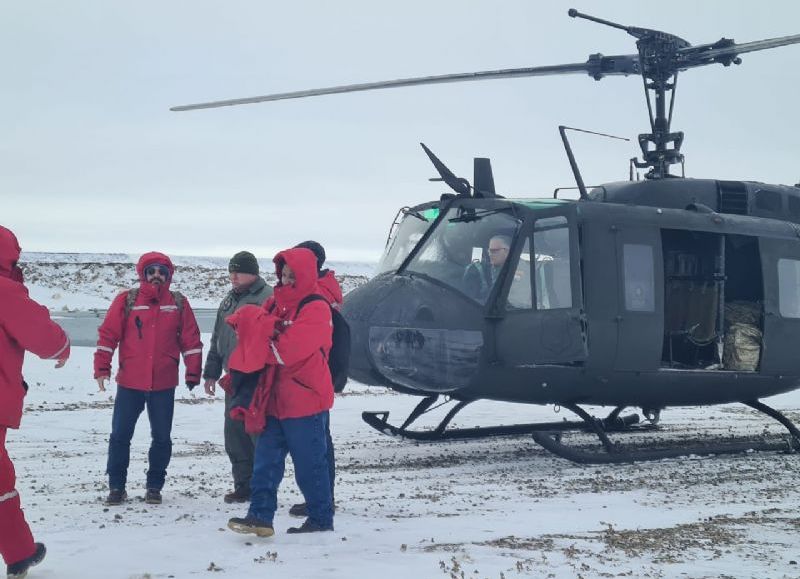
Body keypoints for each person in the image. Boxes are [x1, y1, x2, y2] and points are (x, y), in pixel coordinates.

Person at [227, 246, 334, 536]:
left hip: (305, 400)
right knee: (265, 462)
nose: (286, 281)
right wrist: (253, 328)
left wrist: (263, 335)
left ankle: (321, 519)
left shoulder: (316, 307)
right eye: (283, 275)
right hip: (273, 399)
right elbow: (251, 335)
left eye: (292, 276)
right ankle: (259, 516)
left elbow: (288, 350)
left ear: (306, 276)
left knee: (310, 466)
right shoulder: (275, 304)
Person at [93, 252, 203, 506]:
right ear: (143, 273)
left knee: (162, 437)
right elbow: (108, 336)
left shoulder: (178, 302)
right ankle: (116, 487)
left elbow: (191, 339)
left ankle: (154, 486)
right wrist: (102, 368)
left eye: (162, 272)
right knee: (120, 436)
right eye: (151, 271)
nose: (156, 276)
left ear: (168, 276)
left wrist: (193, 371)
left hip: (164, 383)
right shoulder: (127, 300)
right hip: (130, 382)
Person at [0, 226, 70, 579]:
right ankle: (19, 553)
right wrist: (62, 348)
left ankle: (20, 553)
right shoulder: (4, 291)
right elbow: (42, 334)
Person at [202, 251, 273, 504]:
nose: (233, 276)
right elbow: (217, 338)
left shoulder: (268, 298)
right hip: (232, 377)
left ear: (252, 272)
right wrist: (210, 372)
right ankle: (243, 484)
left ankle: (263, 487)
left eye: (238, 271)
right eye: (231, 271)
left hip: (257, 378)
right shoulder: (228, 300)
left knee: (257, 435)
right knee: (234, 434)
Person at [288, 240, 341, 518]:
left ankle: (322, 498)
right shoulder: (325, 290)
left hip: (312, 376)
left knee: (317, 440)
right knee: (317, 438)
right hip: (315, 374)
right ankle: (320, 496)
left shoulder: (316, 294)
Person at [463, 234, 512, 300]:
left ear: (507, 251)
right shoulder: (477, 271)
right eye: (488, 250)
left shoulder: (522, 270)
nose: (489, 254)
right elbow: (468, 300)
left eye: (494, 251)